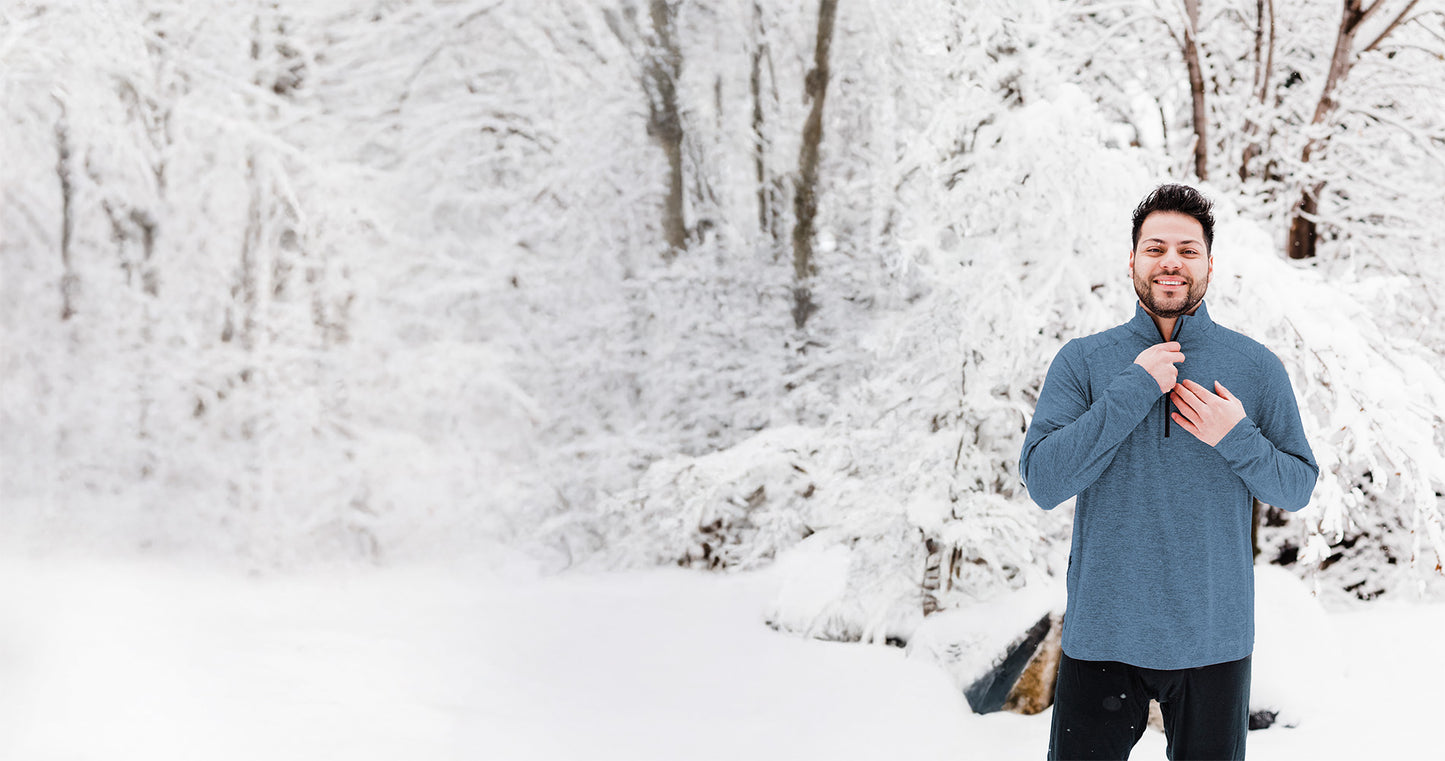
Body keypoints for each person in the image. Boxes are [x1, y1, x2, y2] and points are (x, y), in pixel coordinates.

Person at [1018, 184, 1318, 760]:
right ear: (1132, 260)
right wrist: (1132, 390)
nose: (1171, 262)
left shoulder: (1255, 367)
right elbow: (1044, 481)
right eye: (1155, 249)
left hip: (1214, 638)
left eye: (1188, 249)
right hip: (1103, 634)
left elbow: (1297, 486)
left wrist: (1237, 438)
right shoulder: (1083, 361)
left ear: (1209, 263)